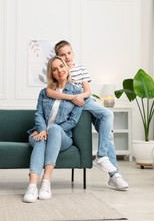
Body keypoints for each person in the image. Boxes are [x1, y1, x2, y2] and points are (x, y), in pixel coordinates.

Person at [46, 40, 129, 190]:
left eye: (69, 53)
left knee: (107, 120)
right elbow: (50, 91)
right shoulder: (61, 72)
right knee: (108, 129)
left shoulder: (81, 69)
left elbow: (88, 91)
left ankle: (106, 162)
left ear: (73, 53)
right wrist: (73, 98)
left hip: (85, 100)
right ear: (58, 57)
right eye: (62, 55)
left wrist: (81, 96)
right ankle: (113, 173)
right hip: (73, 104)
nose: (67, 57)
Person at [23, 56, 83, 203]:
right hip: (39, 132)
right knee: (40, 141)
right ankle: (32, 186)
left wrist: (49, 131)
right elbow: (38, 114)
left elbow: (73, 121)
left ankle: (46, 182)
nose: (59, 71)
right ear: (52, 73)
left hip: (62, 136)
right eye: (55, 69)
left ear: (66, 67)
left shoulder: (77, 91)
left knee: (55, 129)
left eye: (61, 66)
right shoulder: (45, 92)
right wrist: (42, 129)